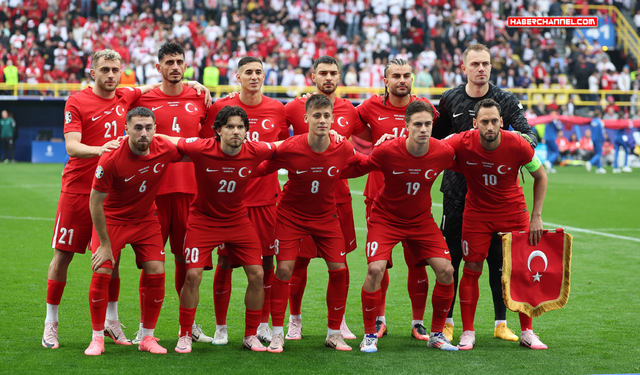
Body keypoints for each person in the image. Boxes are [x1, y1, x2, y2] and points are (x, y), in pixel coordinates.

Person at [431, 44, 537, 343]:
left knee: (499, 262)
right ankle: (449, 321)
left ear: (491, 67)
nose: (481, 68)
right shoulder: (451, 98)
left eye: (486, 64)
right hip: (456, 193)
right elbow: (437, 141)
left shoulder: (504, 99)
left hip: (498, 195)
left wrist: (513, 142)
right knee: (454, 260)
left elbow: (530, 135)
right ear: (464, 67)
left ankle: (501, 322)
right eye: (475, 63)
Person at [43, 50, 145, 350]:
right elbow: (72, 147)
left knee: (112, 257)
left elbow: (157, 88)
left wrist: (195, 83)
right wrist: (102, 149)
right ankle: (51, 322)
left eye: (116, 69)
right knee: (63, 256)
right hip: (78, 190)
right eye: (105, 69)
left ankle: (112, 322)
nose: (111, 75)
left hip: (112, 194)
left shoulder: (126, 96)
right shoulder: (77, 101)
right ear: (93, 72)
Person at [341, 101, 459, 353]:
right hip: (385, 218)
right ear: (406, 126)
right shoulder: (387, 150)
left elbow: (468, 159)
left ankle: (437, 333)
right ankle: (370, 334)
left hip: (420, 220)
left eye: (428, 124)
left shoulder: (443, 151)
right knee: (375, 269)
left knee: (446, 271)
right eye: (417, 124)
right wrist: (326, 165)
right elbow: (360, 167)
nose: (424, 129)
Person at [253, 94, 362, 353]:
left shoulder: (342, 147)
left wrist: (392, 150)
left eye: (326, 116)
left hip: (326, 218)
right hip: (291, 217)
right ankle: (278, 333)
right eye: (316, 116)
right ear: (306, 119)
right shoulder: (289, 146)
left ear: (333, 119)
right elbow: (261, 167)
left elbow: (361, 164)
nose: (322, 120)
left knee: (339, 270)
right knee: (284, 270)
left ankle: (334, 334)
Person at [167, 105, 279, 354]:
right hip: (203, 221)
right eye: (230, 126)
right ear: (217, 130)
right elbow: (171, 139)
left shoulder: (254, 150)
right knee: (192, 275)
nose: (236, 131)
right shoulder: (201, 147)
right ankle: (185, 334)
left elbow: (285, 146)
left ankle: (250, 335)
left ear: (247, 131)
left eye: (240, 127)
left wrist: (328, 135)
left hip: (238, 221)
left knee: (258, 275)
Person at [445, 98, 549, 350]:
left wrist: (536, 216)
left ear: (502, 122)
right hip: (477, 215)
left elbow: (541, 176)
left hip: (513, 214)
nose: (489, 126)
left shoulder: (518, 144)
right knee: (471, 269)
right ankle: (468, 332)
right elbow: (430, 149)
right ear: (474, 123)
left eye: (494, 121)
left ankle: (527, 332)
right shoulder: (462, 141)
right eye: (484, 122)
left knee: (521, 271)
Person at [200, 56, 289, 346]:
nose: (254, 76)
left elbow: (284, 149)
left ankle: (261, 324)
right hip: (229, 202)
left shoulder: (278, 109)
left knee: (265, 264)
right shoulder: (220, 108)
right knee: (224, 262)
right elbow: (206, 147)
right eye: (248, 72)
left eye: (259, 72)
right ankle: (222, 326)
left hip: (265, 200)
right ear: (237, 77)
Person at [283, 55, 371, 341]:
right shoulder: (295, 107)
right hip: (302, 202)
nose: (329, 78)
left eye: (334, 73)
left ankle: (340, 320)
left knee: (340, 264)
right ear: (312, 76)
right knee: (298, 264)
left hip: (339, 199)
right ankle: (294, 320)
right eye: (323, 73)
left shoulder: (350, 110)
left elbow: (371, 136)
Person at [131, 42, 212, 344]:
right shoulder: (143, 97)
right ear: (158, 67)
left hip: (190, 190)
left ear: (186, 65)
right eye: (169, 62)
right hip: (153, 192)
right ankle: (144, 326)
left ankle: (187, 326)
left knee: (186, 261)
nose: (175, 67)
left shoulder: (199, 97)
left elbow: (208, 143)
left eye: (180, 62)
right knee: (153, 262)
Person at [86, 106, 183, 355]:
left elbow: (196, 151)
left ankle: (147, 337)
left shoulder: (164, 148)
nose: (144, 133)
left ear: (155, 130)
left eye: (149, 128)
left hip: (145, 220)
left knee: (156, 270)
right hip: (112, 220)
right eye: (138, 127)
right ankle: (97, 337)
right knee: (103, 270)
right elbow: (95, 202)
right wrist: (105, 245)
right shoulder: (110, 159)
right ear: (126, 129)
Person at [356, 58, 440, 341]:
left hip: (416, 201)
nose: (401, 80)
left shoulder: (426, 109)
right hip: (378, 198)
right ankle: (379, 320)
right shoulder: (370, 107)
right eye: (396, 76)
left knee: (418, 263)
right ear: (386, 81)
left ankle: (418, 323)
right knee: (380, 264)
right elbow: (348, 129)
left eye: (406, 75)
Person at [586, 109, 606, 174]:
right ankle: (590, 162)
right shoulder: (599, 122)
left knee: (597, 153)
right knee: (599, 153)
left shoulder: (592, 121)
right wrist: (604, 140)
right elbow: (601, 132)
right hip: (598, 139)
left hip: (593, 139)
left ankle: (599, 168)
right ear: (600, 115)